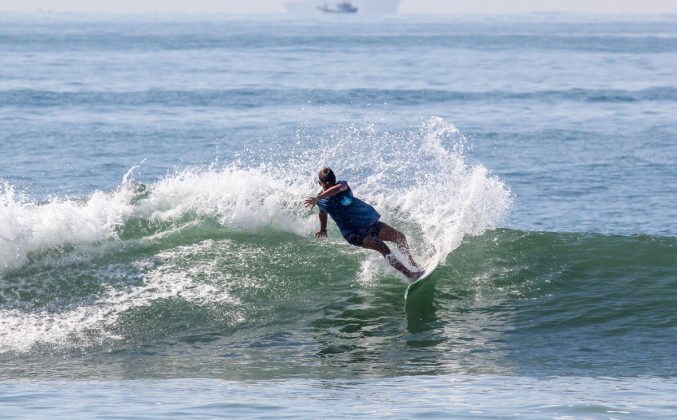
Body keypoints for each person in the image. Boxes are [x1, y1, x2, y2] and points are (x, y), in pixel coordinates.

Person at [304, 167, 423, 281]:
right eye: (327, 185)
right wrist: (323, 229)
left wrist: (318, 197)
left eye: (332, 183)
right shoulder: (321, 201)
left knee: (400, 237)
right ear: (320, 184)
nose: (331, 186)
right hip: (352, 233)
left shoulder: (342, 186)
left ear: (334, 181)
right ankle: (410, 274)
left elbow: (338, 188)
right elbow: (322, 213)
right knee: (382, 247)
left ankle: (413, 264)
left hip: (367, 223)